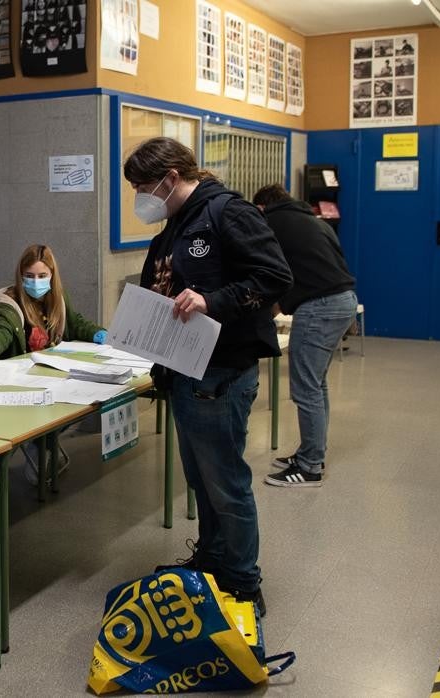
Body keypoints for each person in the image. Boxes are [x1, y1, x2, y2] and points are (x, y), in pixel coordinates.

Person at [124, 137, 291, 616]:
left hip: (220, 369)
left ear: (172, 178)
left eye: (143, 186)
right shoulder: (177, 224)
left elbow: (275, 276)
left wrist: (210, 301)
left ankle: (242, 582)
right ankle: (214, 560)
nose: (140, 197)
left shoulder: (227, 213)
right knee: (200, 478)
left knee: (225, 481)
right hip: (184, 369)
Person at [0, 244, 107, 485]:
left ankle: (42, 446)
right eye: (29, 276)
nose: (36, 282)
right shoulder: (8, 305)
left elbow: (76, 324)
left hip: (46, 381)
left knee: (77, 404)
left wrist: (103, 335)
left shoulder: (57, 299)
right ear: (20, 275)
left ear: (52, 276)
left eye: (42, 276)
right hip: (14, 390)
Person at [252, 185, 357, 488]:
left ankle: (310, 467)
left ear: (261, 208)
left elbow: (271, 273)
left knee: (306, 388)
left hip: (320, 307)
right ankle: (312, 453)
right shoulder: (313, 220)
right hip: (344, 301)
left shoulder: (273, 224)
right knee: (317, 383)